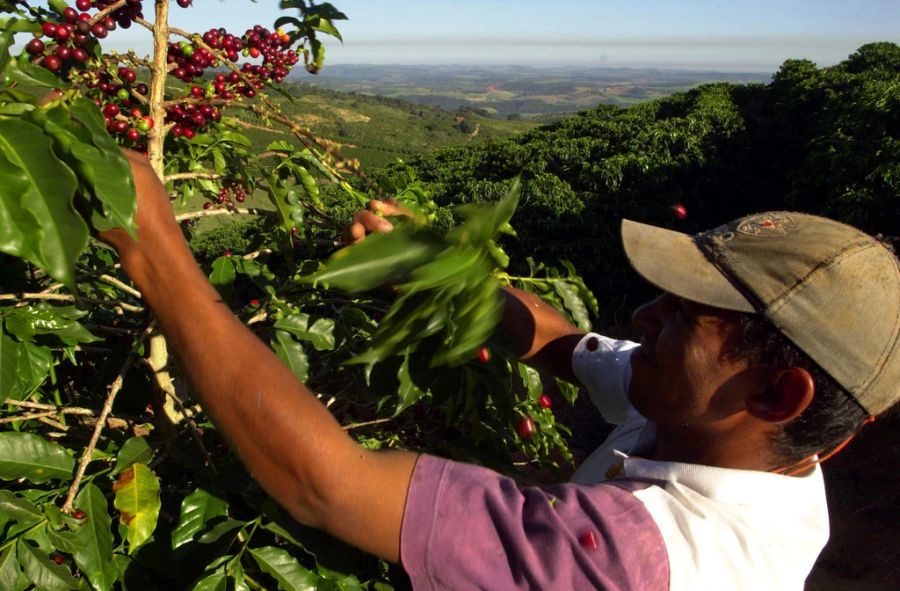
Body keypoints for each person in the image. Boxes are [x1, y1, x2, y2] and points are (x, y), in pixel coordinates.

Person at [103, 151, 900, 590]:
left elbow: (328, 485)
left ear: (774, 391)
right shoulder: (734, 433)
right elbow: (559, 341)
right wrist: (435, 269)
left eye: (684, 316)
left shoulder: (648, 561)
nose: (643, 320)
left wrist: (160, 257)